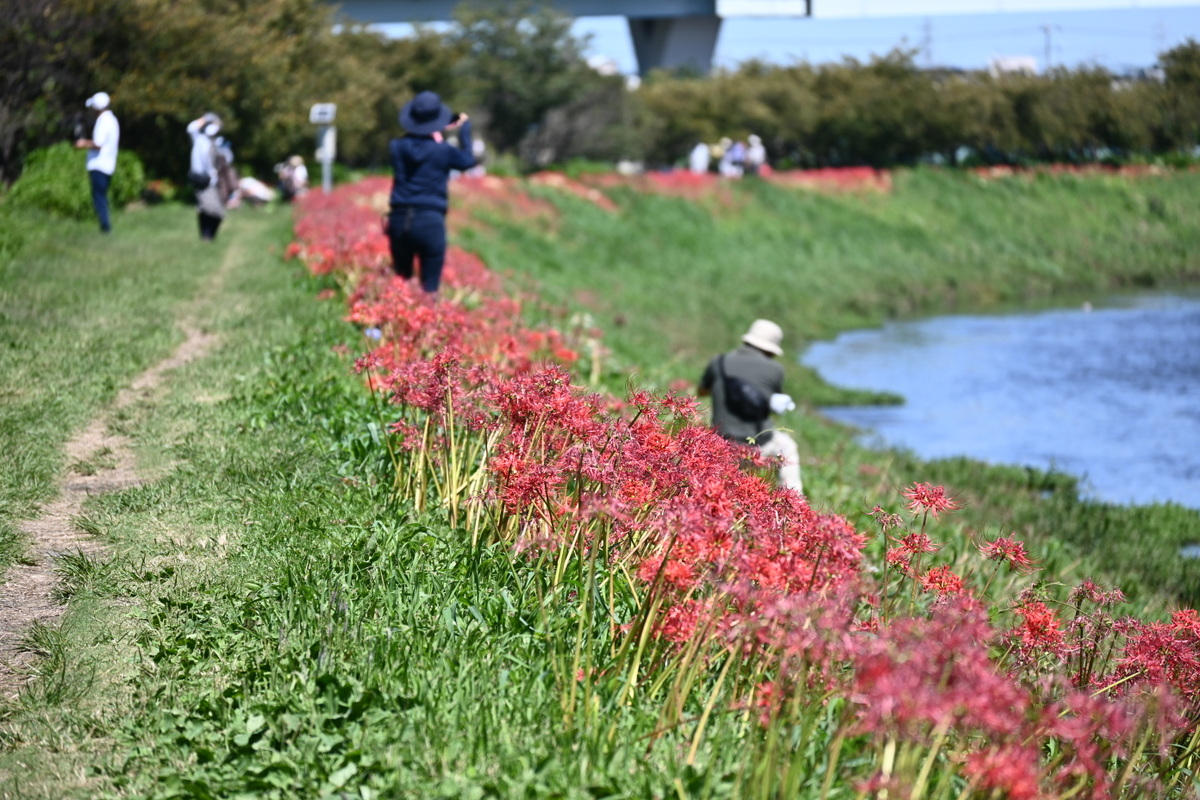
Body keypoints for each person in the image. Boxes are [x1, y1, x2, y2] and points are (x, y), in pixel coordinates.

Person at [385, 91, 475, 294]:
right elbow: (467, 161)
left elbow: (414, 143)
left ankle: (394, 322)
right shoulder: (442, 151)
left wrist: (437, 125)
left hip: (399, 220)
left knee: (402, 281)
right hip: (430, 221)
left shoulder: (396, 147)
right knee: (430, 287)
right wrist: (464, 130)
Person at [698, 319, 803, 494]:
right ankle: (793, 503)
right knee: (788, 448)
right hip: (759, 446)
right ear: (771, 349)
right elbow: (772, 405)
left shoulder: (719, 362)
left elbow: (702, 391)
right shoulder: (775, 370)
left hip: (721, 444)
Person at [73, 92, 120, 233]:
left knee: (98, 196)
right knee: (102, 195)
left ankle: (105, 227)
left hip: (99, 164)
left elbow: (98, 143)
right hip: (109, 164)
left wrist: (82, 143)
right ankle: (105, 225)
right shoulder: (112, 120)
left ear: (96, 108)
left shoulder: (102, 121)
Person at [187, 113, 226, 240]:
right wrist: (205, 119)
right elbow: (191, 128)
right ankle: (206, 236)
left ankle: (208, 236)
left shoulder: (214, 142)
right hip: (202, 180)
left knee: (211, 211)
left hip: (210, 181)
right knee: (208, 210)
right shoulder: (199, 139)